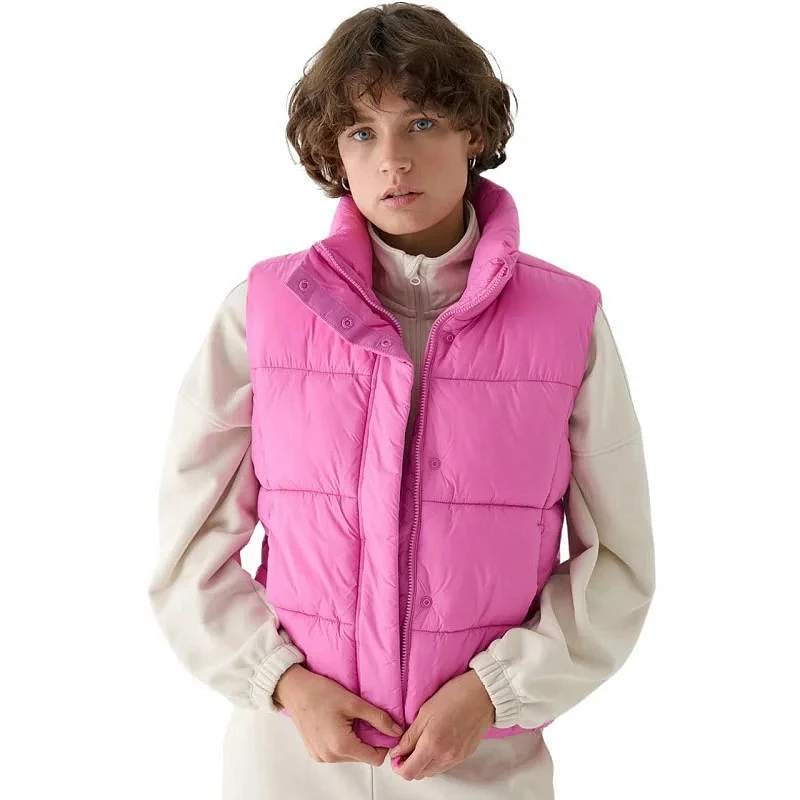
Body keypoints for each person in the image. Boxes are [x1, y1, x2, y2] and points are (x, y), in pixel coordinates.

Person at [147, 3, 656, 798]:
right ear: (334, 152)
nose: (393, 160)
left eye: (421, 122)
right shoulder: (264, 311)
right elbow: (189, 550)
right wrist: (285, 684)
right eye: (362, 132)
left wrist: (495, 692)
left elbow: (618, 560)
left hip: (484, 767)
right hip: (292, 762)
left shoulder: (566, 321)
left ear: (473, 132)